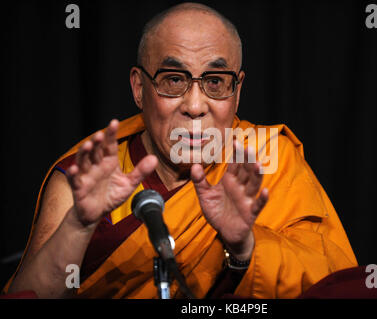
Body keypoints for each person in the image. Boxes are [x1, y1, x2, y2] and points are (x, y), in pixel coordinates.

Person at [3, 3, 357, 298]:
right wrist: (79, 227)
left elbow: (333, 285)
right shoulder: (89, 176)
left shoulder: (267, 159)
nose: (195, 105)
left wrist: (246, 247)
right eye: (174, 80)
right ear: (139, 87)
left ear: (238, 90)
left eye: (215, 83)